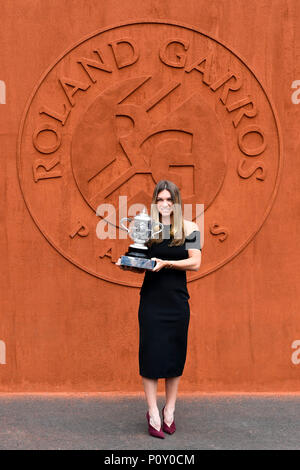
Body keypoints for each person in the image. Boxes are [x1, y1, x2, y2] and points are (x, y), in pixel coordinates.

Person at [116, 180, 201, 438]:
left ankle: (170, 410)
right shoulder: (149, 230)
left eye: (169, 200)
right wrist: (127, 265)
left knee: (175, 356)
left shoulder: (190, 228)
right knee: (151, 356)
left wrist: (166, 263)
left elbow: (195, 263)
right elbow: (142, 262)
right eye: (160, 200)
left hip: (177, 302)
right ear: (155, 203)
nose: (164, 204)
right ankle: (152, 411)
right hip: (151, 302)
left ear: (176, 202)